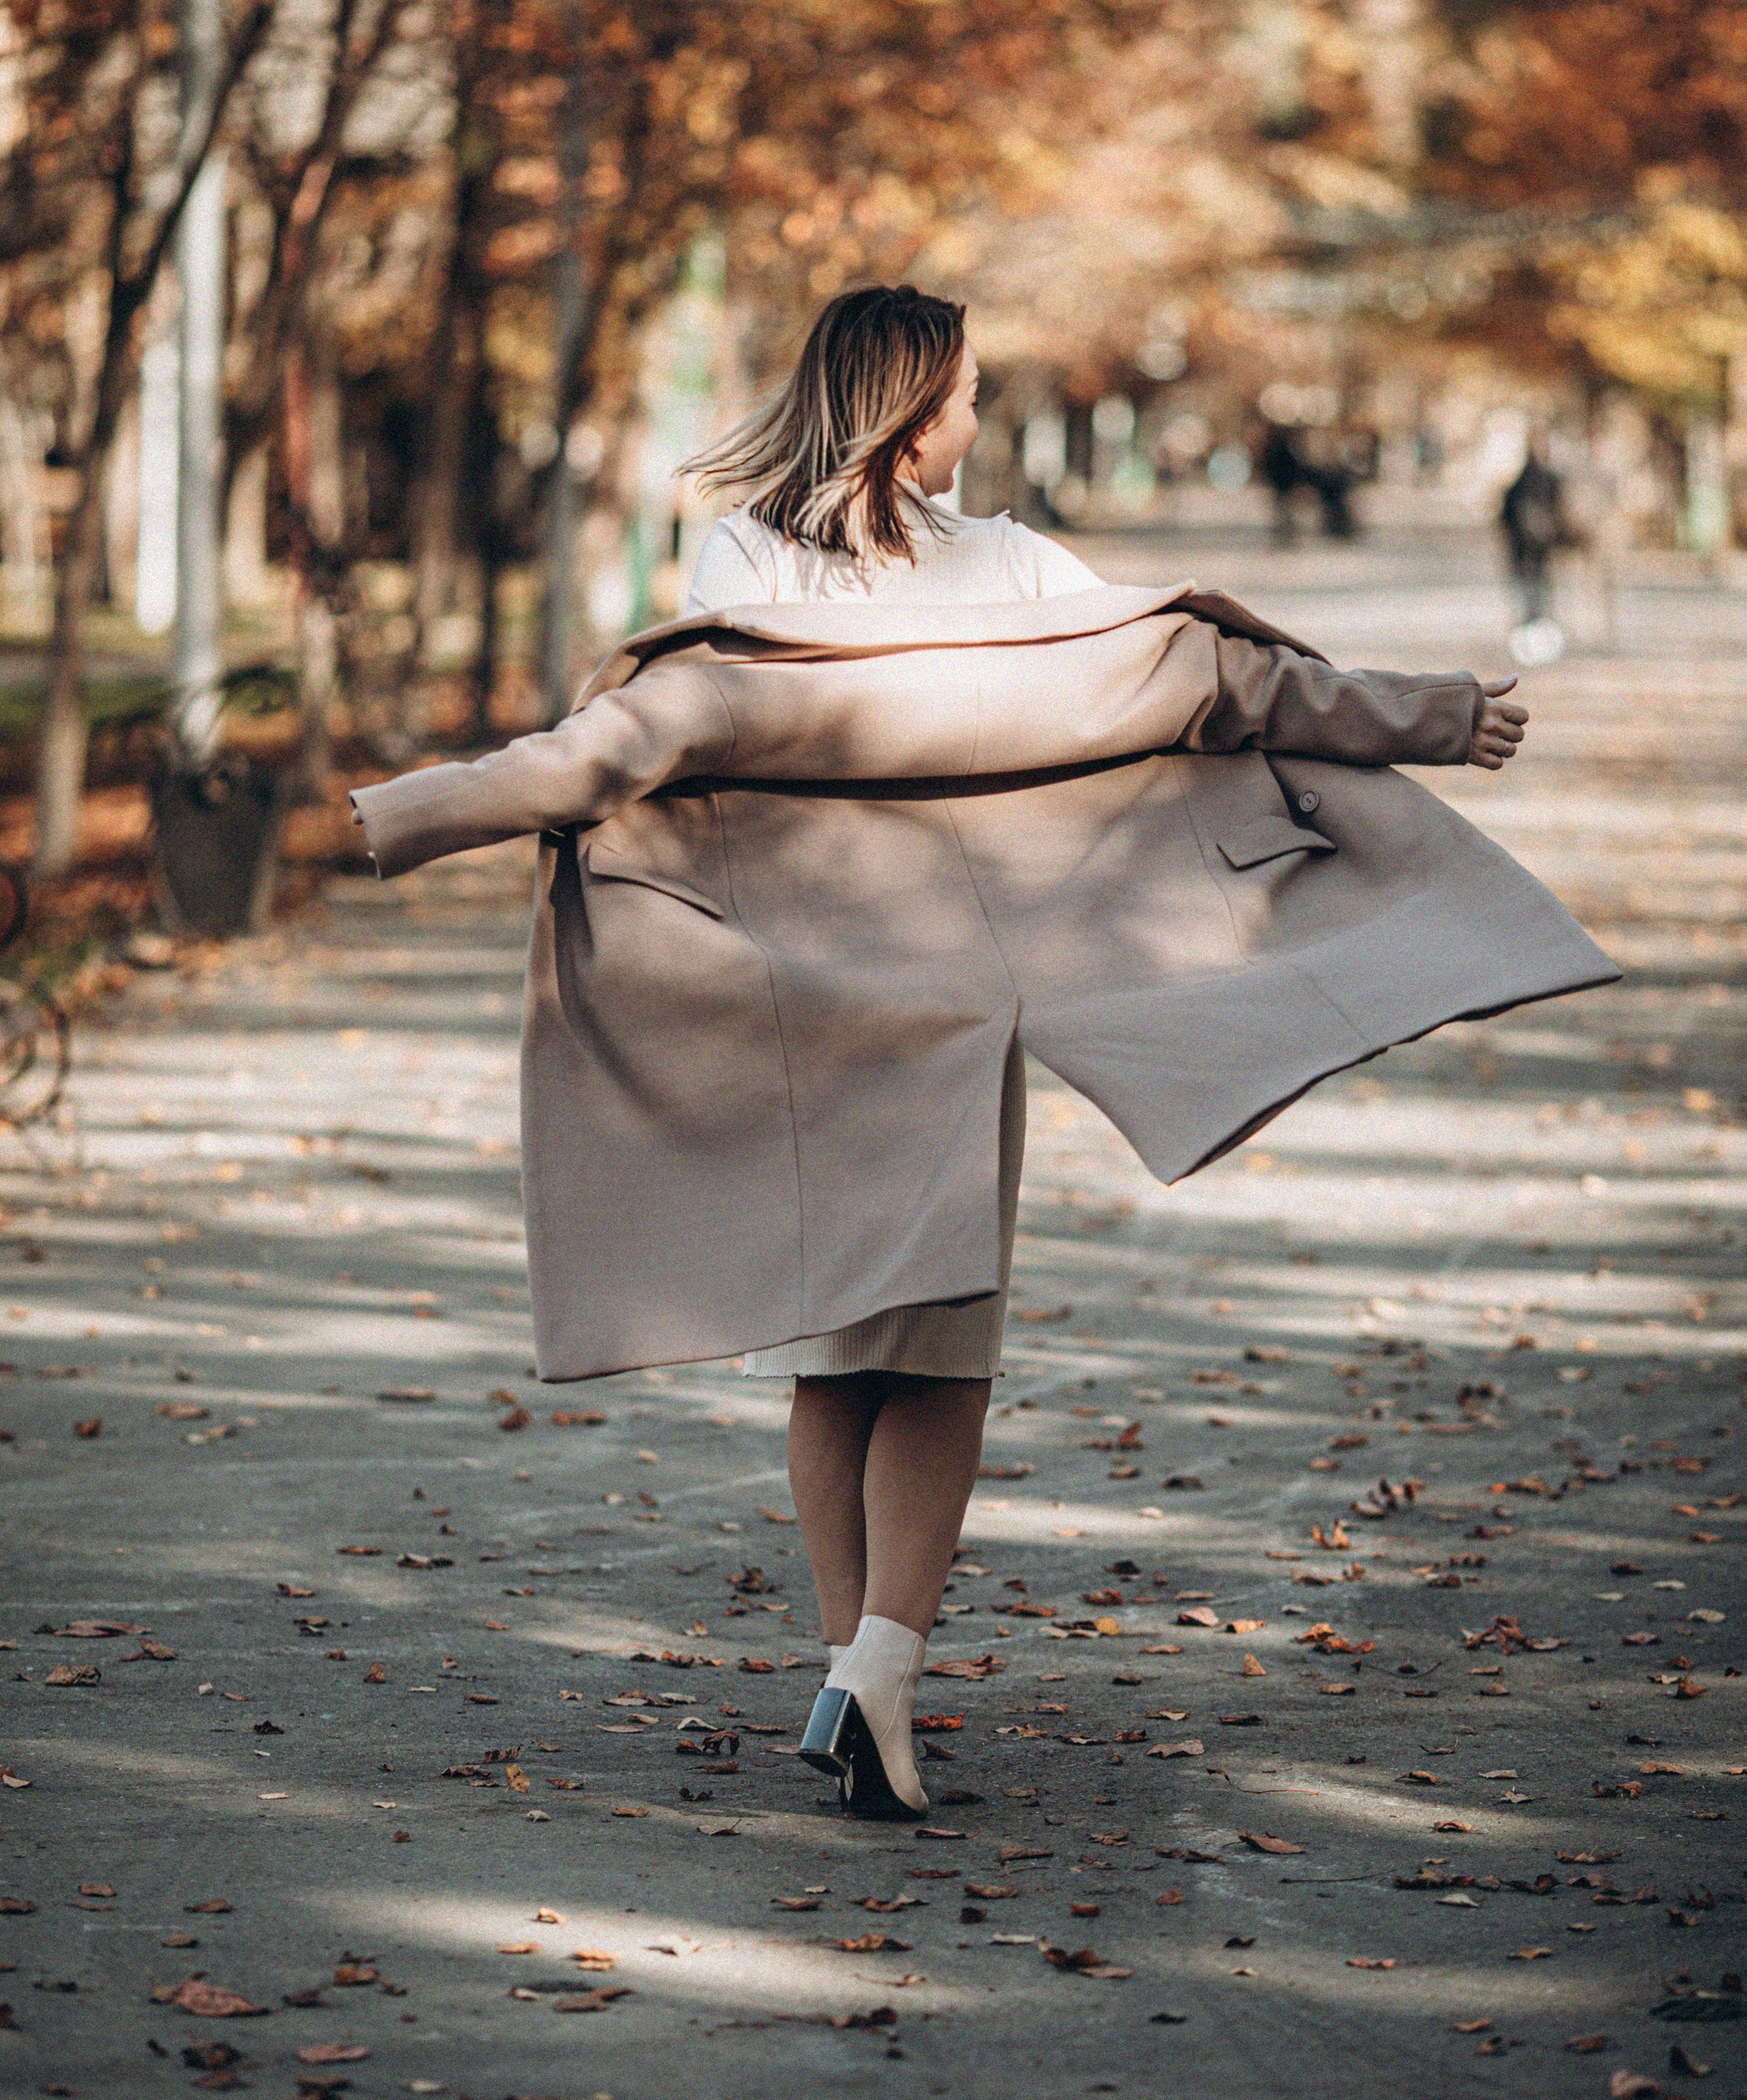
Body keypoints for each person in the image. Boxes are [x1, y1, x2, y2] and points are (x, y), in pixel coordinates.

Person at [349, 285, 1611, 1830]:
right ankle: (877, 1670)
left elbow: (629, 744)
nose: (974, 421)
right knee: (941, 1352)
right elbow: (1213, 682)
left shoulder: (743, 564)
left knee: (834, 1352)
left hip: (808, 1005)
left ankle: (853, 1675)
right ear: (907, 416)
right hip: (954, 1012)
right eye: (962, 397)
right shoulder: (1009, 568)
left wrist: (408, 814)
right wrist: (1433, 715)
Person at [1499, 436, 1566, 665]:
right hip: (1528, 553)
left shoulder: (1546, 483)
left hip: (1536, 553)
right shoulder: (1526, 485)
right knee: (1531, 599)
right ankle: (1529, 646)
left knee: (1536, 599)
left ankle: (1537, 646)